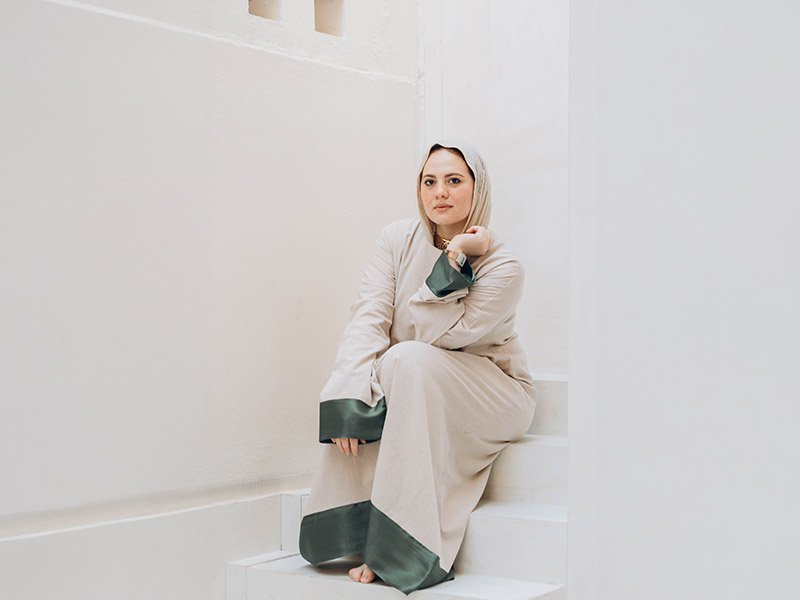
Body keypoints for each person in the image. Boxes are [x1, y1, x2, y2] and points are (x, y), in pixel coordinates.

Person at [297, 139, 538, 595]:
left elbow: (437, 336)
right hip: (413, 377)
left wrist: (456, 255)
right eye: (429, 181)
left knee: (406, 358)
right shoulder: (396, 239)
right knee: (382, 373)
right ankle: (354, 530)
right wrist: (350, 394)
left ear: (478, 189)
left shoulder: (505, 266)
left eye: (454, 180)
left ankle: (400, 548)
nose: (439, 192)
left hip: (495, 392)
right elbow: (368, 316)